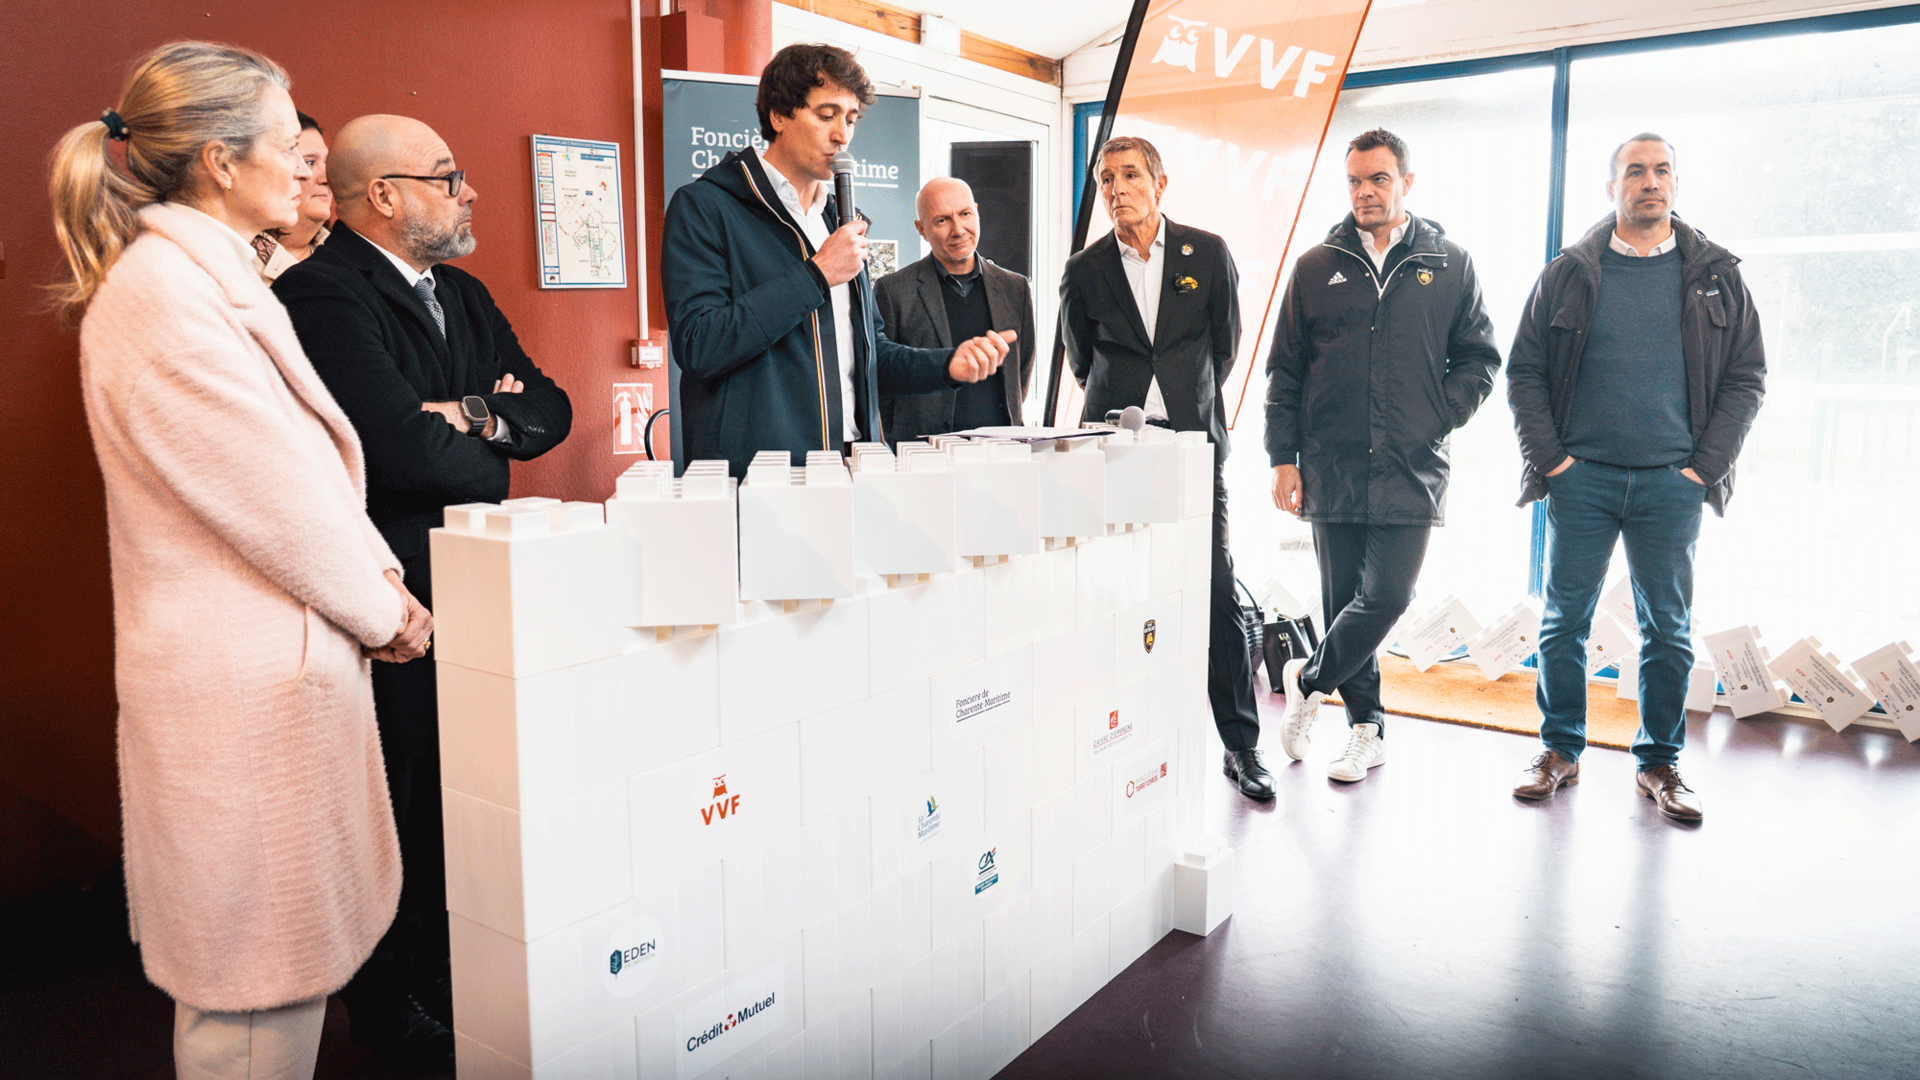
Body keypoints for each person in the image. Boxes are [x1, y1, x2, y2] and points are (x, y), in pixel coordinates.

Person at [49, 41, 431, 1080]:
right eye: (285, 144)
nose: (308, 165)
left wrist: (376, 587)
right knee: (251, 1007)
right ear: (220, 161)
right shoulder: (165, 295)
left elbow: (299, 473)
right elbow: (273, 498)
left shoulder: (218, 278)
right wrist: (386, 608)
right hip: (239, 696)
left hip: (270, 682)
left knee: (279, 996)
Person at [274, 113, 574, 1059]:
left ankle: (452, 977)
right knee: (392, 806)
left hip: (478, 590)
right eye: (447, 177)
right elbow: (396, 448)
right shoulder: (322, 294)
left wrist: (464, 414)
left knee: (461, 795)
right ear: (384, 195)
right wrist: (489, 443)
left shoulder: (466, 293)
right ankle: (388, 1008)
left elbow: (553, 409)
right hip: (387, 592)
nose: (468, 191)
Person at [1506, 134, 1765, 821]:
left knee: (1668, 632)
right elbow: (1524, 372)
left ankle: (1659, 763)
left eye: (1661, 170)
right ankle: (1559, 750)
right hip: (1581, 480)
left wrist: (1702, 470)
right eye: (1635, 171)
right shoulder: (1569, 272)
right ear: (1612, 186)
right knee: (1563, 625)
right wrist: (1553, 462)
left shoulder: (1715, 275)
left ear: (1676, 183)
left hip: (1670, 486)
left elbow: (1746, 377)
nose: (1650, 182)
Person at [1264, 128, 1501, 784]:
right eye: (1355, 181)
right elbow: (1286, 370)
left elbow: (1480, 358)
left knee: (1389, 596)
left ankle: (1309, 681)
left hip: (1410, 465)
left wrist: (1435, 416)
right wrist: (1283, 456)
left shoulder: (1450, 265)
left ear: (1407, 182)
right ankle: (1366, 730)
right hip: (1331, 464)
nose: (1365, 192)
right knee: (1343, 600)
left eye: (1378, 179)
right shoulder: (1316, 267)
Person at [662, 42, 1013, 475]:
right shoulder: (705, 207)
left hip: (852, 463)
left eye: (850, 119)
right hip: (761, 475)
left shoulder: (840, 221)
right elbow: (699, 345)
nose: (842, 135)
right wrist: (816, 275)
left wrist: (947, 364)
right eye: (826, 115)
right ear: (779, 116)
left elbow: (869, 353)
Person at [1058, 136, 1270, 800]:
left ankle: (1242, 747)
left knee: (1215, 591)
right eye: (1106, 179)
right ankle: (1119, 738)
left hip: (1191, 448)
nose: (1116, 189)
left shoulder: (1206, 252)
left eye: (1129, 175)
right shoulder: (1084, 269)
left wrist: (1184, 402)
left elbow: (1224, 344)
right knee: (1114, 591)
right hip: (1115, 452)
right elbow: (1081, 360)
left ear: (1160, 183)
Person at [875, 176, 1035, 440]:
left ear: (977, 213)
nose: (959, 229)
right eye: (942, 220)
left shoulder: (1015, 287)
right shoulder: (893, 291)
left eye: (965, 214)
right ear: (921, 229)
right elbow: (884, 376)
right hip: (923, 450)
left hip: (1002, 447)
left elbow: (1021, 371)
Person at [253, 110, 330, 280]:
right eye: (309, 162)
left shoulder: (350, 255)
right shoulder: (236, 261)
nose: (326, 178)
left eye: (327, 163)